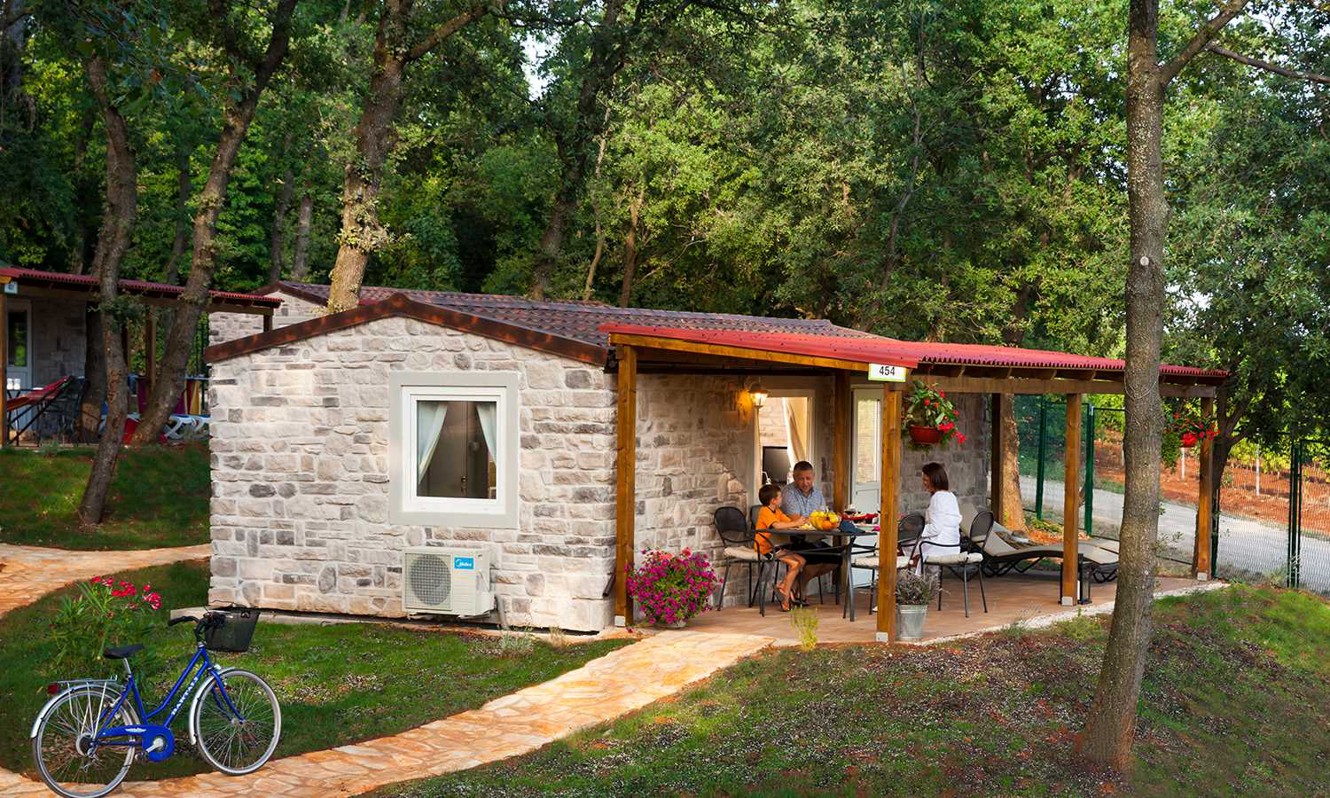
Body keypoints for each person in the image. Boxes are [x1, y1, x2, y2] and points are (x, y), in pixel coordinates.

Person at [779, 461, 842, 599]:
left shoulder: (817, 493)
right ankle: (800, 589)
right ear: (794, 477)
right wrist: (818, 520)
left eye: (808, 478)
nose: (805, 482)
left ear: (813, 477)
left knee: (837, 558)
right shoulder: (788, 493)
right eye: (801, 479)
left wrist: (827, 520)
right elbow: (797, 519)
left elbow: (824, 516)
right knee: (815, 558)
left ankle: (799, 583)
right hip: (793, 539)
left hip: (813, 538)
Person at [754, 483, 808, 612]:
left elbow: (788, 522)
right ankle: (785, 596)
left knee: (802, 561)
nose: (782, 499)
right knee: (795, 564)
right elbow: (776, 526)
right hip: (765, 548)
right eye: (780, 497)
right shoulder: (764, 511)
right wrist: (796, 523)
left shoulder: (777, 511)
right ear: (773, 500)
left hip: (776, 546)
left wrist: (803, 522)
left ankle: (783, 586)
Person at [913, 462, 962, 571]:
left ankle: (912, 578)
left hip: (940, 547)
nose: (924, 483)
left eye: (926, 480)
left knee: (905, 544)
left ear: (934, 479)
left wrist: (916, 530)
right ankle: (923, 577)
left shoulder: (938, 498)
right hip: (953, 546)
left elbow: (936, 528)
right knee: (912, 547)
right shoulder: (950, 496)